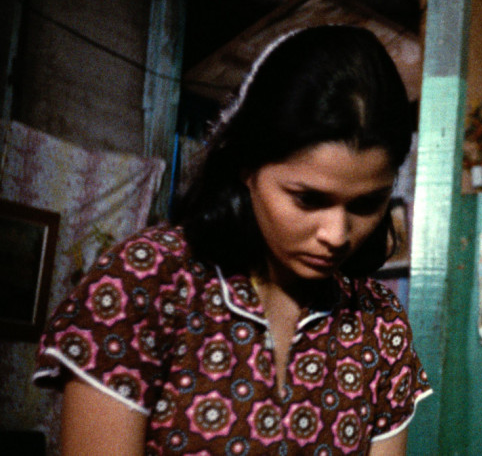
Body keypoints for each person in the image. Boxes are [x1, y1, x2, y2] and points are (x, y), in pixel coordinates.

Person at [33, 26, 431, 455]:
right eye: (307, 199)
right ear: (246, 164)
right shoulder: (147, 281)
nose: (336, 234)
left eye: (366, 204)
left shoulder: (377, 321)